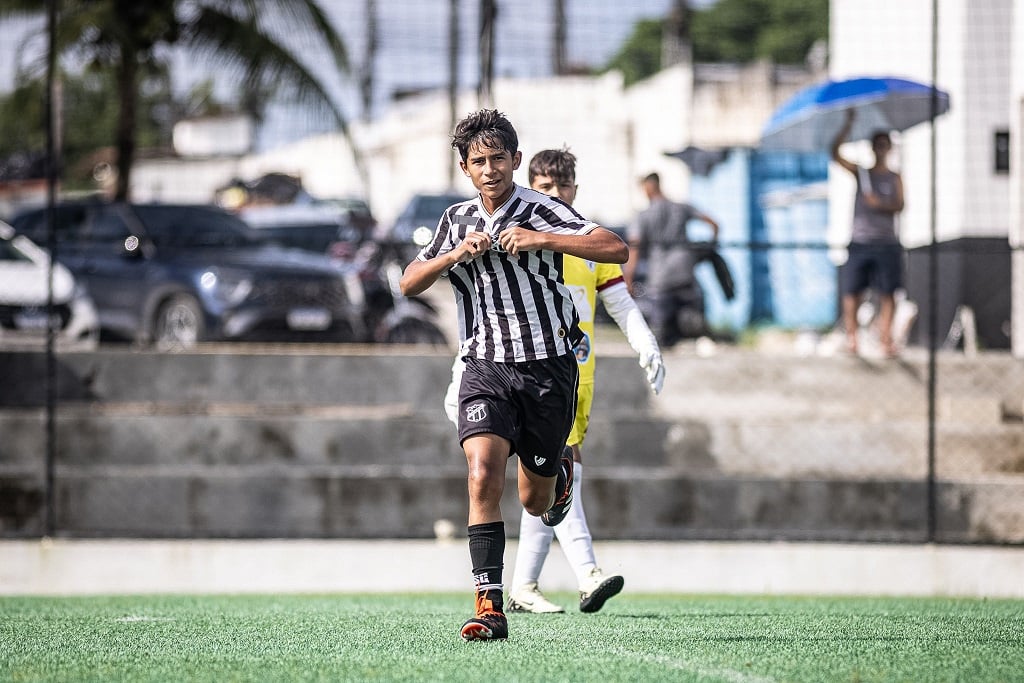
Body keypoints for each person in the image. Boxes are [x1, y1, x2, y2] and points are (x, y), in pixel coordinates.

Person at [400, 109, 629, 641]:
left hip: (548, 370)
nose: (488, 169)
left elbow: (615, 247)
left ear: (516, 161)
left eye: (497, 158)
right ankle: (489, 606)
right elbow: (409, 281)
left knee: (536, 500)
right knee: (482, 474)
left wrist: (541, 240)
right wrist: (456, 255)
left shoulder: (543, 210)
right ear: (464, 167)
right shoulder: (454, 220)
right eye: (477, 161)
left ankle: (560, 481)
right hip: (484, 366)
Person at [443, 148, 665, 616]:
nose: (555, 196)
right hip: (504, 369)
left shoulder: (582, 242)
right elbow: (481, 309)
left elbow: (619, 299)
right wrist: (463, 369)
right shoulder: (502, 232)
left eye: (563, 188)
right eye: (546, 188)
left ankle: (526, 581)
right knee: (514, 474)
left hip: (566, 376)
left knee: (546, 482)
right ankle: (580, 574)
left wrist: (645, 342)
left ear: (575, 192)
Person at [830, 109, 905, 357]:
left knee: (888, 293)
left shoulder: (895, 178)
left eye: (885, 145)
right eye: (877, 145)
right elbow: (834, 153)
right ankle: (852, 340)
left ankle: (886, 340)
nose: (881, 149)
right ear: (872, 148)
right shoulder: (861, 174)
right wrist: (847, 123)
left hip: (886, 242)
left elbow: (900, 204)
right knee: (852, 291)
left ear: (889, 148)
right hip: (861, 241)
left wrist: (878, 204)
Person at [623, 172, 720, 348]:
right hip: (685, 271)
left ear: (648, 188)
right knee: (694, 319)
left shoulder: (643, 216)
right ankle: (701, 342)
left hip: (660, 278)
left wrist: (628, 278)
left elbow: (634, 247)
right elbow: (714, 224)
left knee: (659, 328)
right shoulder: (682, 208)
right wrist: (709, 248)